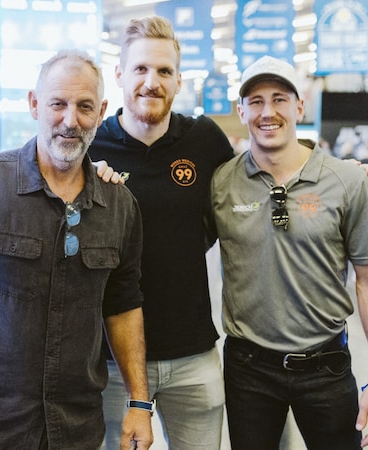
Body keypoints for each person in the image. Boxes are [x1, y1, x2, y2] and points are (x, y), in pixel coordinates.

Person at [0, 49, 153, 450]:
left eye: (84, 107)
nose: (70, 120)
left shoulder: (119, 205)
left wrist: (139, 401)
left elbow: (123, 304)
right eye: (57, 104)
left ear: (101, 113)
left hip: (77, 427)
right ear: (33, 105)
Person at [210, 55, 368, 449]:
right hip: (248, 371)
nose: (268, 112)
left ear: (299, 106)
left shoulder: (346, 179)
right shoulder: (221, 183)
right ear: (241, 111)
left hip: (325, 367)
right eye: (256, 101)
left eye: (279, 99)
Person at [88, 16, 234, 449]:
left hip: (194, 356)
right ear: (119, 76)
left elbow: (253, 191)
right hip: (110, 361)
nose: (151, 82)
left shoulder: (204, 140)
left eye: (164, 72)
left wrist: (346, 175)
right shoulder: (90, 145)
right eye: (141, 69)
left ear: (178, 81)